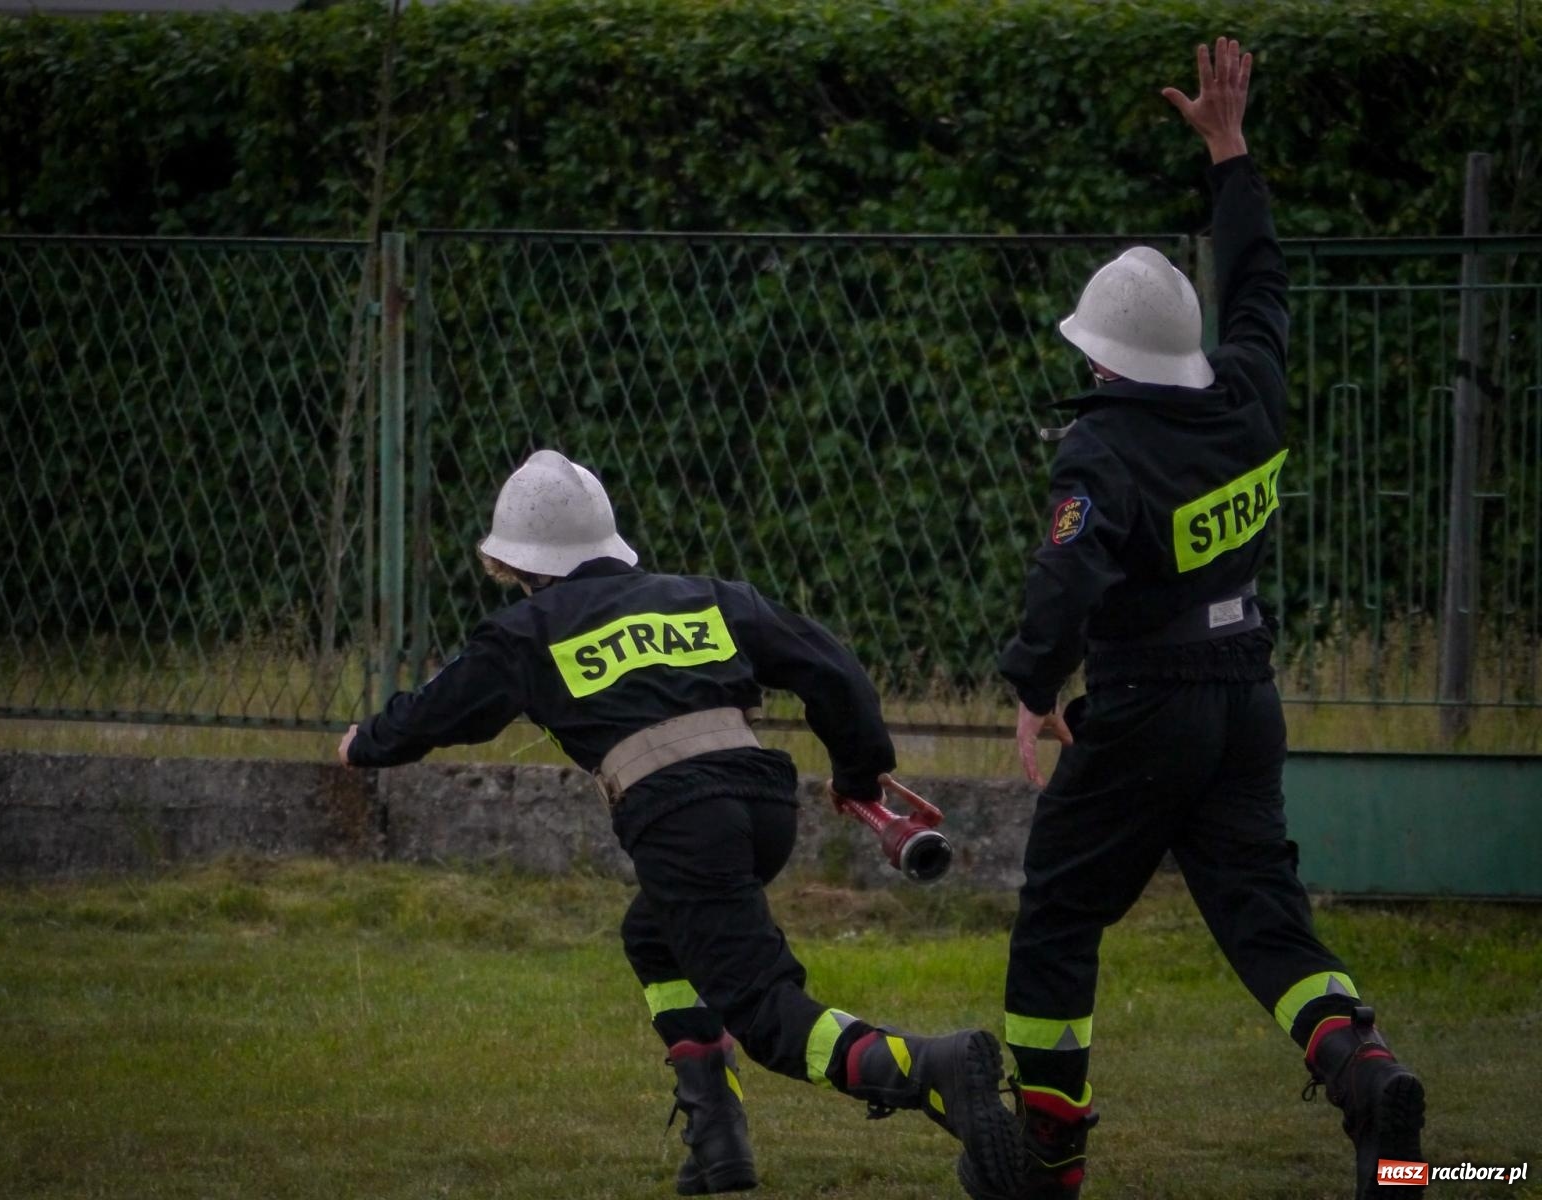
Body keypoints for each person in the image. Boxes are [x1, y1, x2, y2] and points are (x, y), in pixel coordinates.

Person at [339, 448, 1022, 1198]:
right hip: (763, 807)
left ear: (517, 566)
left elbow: (437, 714)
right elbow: (833, 669)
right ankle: (718, 1140)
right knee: (654, 935)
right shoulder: (704, 596)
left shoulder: (524, 632)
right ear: (610, 544)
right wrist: (859, 775)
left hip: (679, 819)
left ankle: (930, 1069)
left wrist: (363, 743)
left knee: (766, 1013)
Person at [995, 38, 1425, 1200]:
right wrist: (1230, 155)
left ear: (1105, 360)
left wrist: (1034, 688)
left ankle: (1050, 1156)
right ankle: (1363, 1069)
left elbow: (1068, 580)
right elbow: (1262, 281)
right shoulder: (1246, 392)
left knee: (1057, 920)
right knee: (1258, 914)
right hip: (1247, 697)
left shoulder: (1103, 447)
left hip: (1144, 708)